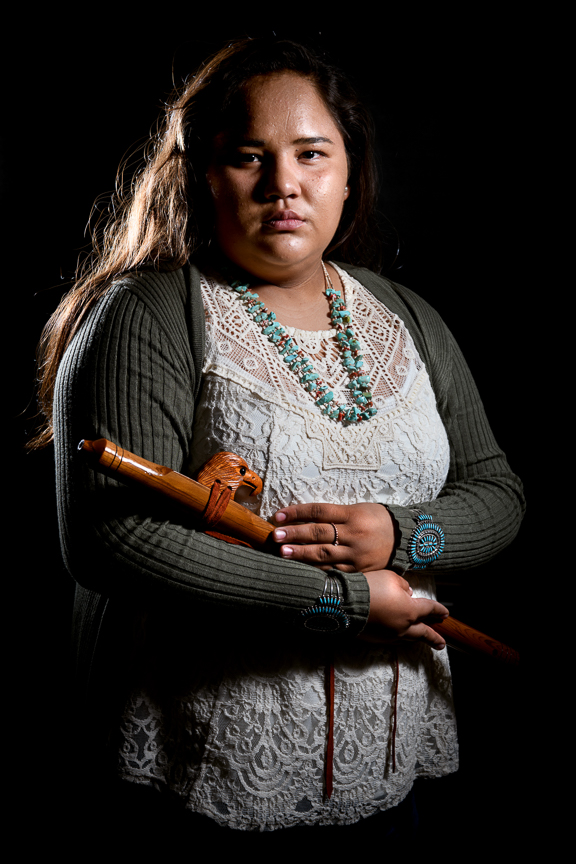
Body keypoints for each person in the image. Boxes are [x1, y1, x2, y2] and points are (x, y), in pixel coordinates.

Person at [31, 37, 524, 846]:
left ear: (350, 173)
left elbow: (498, 494)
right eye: (247, 157)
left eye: (311, 154)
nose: (284, 184)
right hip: (200, 778)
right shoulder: (147, 312)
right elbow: (109, 541)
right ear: (200, 176)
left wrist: (404, 533)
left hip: (393, 774)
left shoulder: (406, 315)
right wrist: (341, 601)